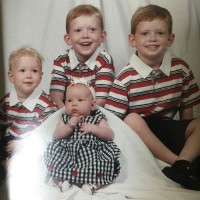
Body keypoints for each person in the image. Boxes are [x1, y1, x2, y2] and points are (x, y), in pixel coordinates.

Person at [105, 4, 200, 190]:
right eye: (145, 33)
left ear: (170, 39)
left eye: (160, 33)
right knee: (131, 119)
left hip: (168, 129)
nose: (152, 39)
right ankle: (180, 164)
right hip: (141, 137)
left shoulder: (180, 68)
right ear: (133, 40)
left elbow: (187, 108)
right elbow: (112, 121)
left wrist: (187, 141)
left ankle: (185, 159)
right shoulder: (126, 77)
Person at [44, 78, 121, 194]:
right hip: (68, 152)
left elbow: (109, 135)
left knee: (103, 162)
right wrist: (69, 126)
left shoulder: (97, 118)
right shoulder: (65, 118)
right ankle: (61, 181)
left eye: (80, 100)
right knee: (54, 154)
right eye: (69, 100)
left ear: (92, 105)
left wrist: (94, 129)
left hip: (91, 153)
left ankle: (92, 185)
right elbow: (56, 135)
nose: (74, 103)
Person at [0, 45, 57, 183]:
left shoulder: (45, 105)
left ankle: (12, 168)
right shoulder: (7, 101)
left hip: (32, 142)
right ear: (11, 76)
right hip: (9, 141)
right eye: (22, 70)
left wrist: (22, 144)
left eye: (34, 71)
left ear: (41, 76)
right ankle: (6, 165)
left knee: (38, 158)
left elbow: (47, 136)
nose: (29, 75)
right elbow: (2, 126)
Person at [50, 4, 115, 109]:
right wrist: (67, 115)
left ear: (102, 36)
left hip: (95, 111)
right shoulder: (61, 61)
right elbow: (56, 97)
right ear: (68, 39)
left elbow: (102, 99)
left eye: (92, 29)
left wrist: (84, 114)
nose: (85, 35)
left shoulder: (104, 60)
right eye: (78, 30)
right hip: (66, 111)